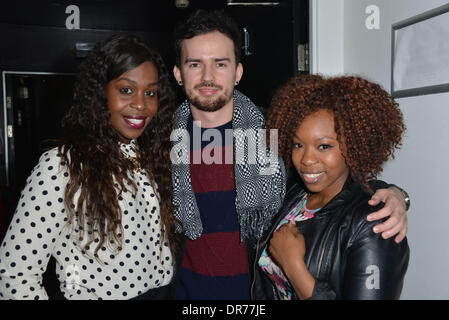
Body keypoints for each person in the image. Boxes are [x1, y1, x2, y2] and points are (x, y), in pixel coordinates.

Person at [170, 10, 409, 300]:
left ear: (238, 72)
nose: (208, 76)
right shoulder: (159, 141)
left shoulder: (276, 134)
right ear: (179, 74)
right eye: (195, 64)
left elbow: (333, 178)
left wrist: (393, 194)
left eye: (220, 64)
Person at [0, 34, 179, 300]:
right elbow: (15, 273)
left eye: (150, 93)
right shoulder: (63, 165)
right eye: (126, 90)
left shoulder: (150, 158)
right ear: (100, 93)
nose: (141, 104)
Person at [253, 75, 410, 300]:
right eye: (298, 144)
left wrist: (293, 266)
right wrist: (398, 193)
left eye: (323, 146)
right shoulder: (292, 194)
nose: (306, 159)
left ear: (354, 145)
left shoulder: (376, 225)